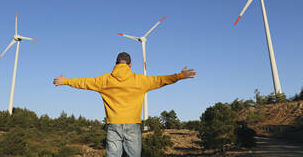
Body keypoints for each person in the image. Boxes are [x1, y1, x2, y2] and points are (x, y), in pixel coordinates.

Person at [53, 52, 196, 157]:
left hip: (113, 125)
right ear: (130, 65)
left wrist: (66, 81)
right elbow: (160, 80)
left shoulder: (104, 80)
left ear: (115, 63)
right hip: (133, 125)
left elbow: (83, 82)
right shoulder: (140, 80)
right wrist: (179, 76)